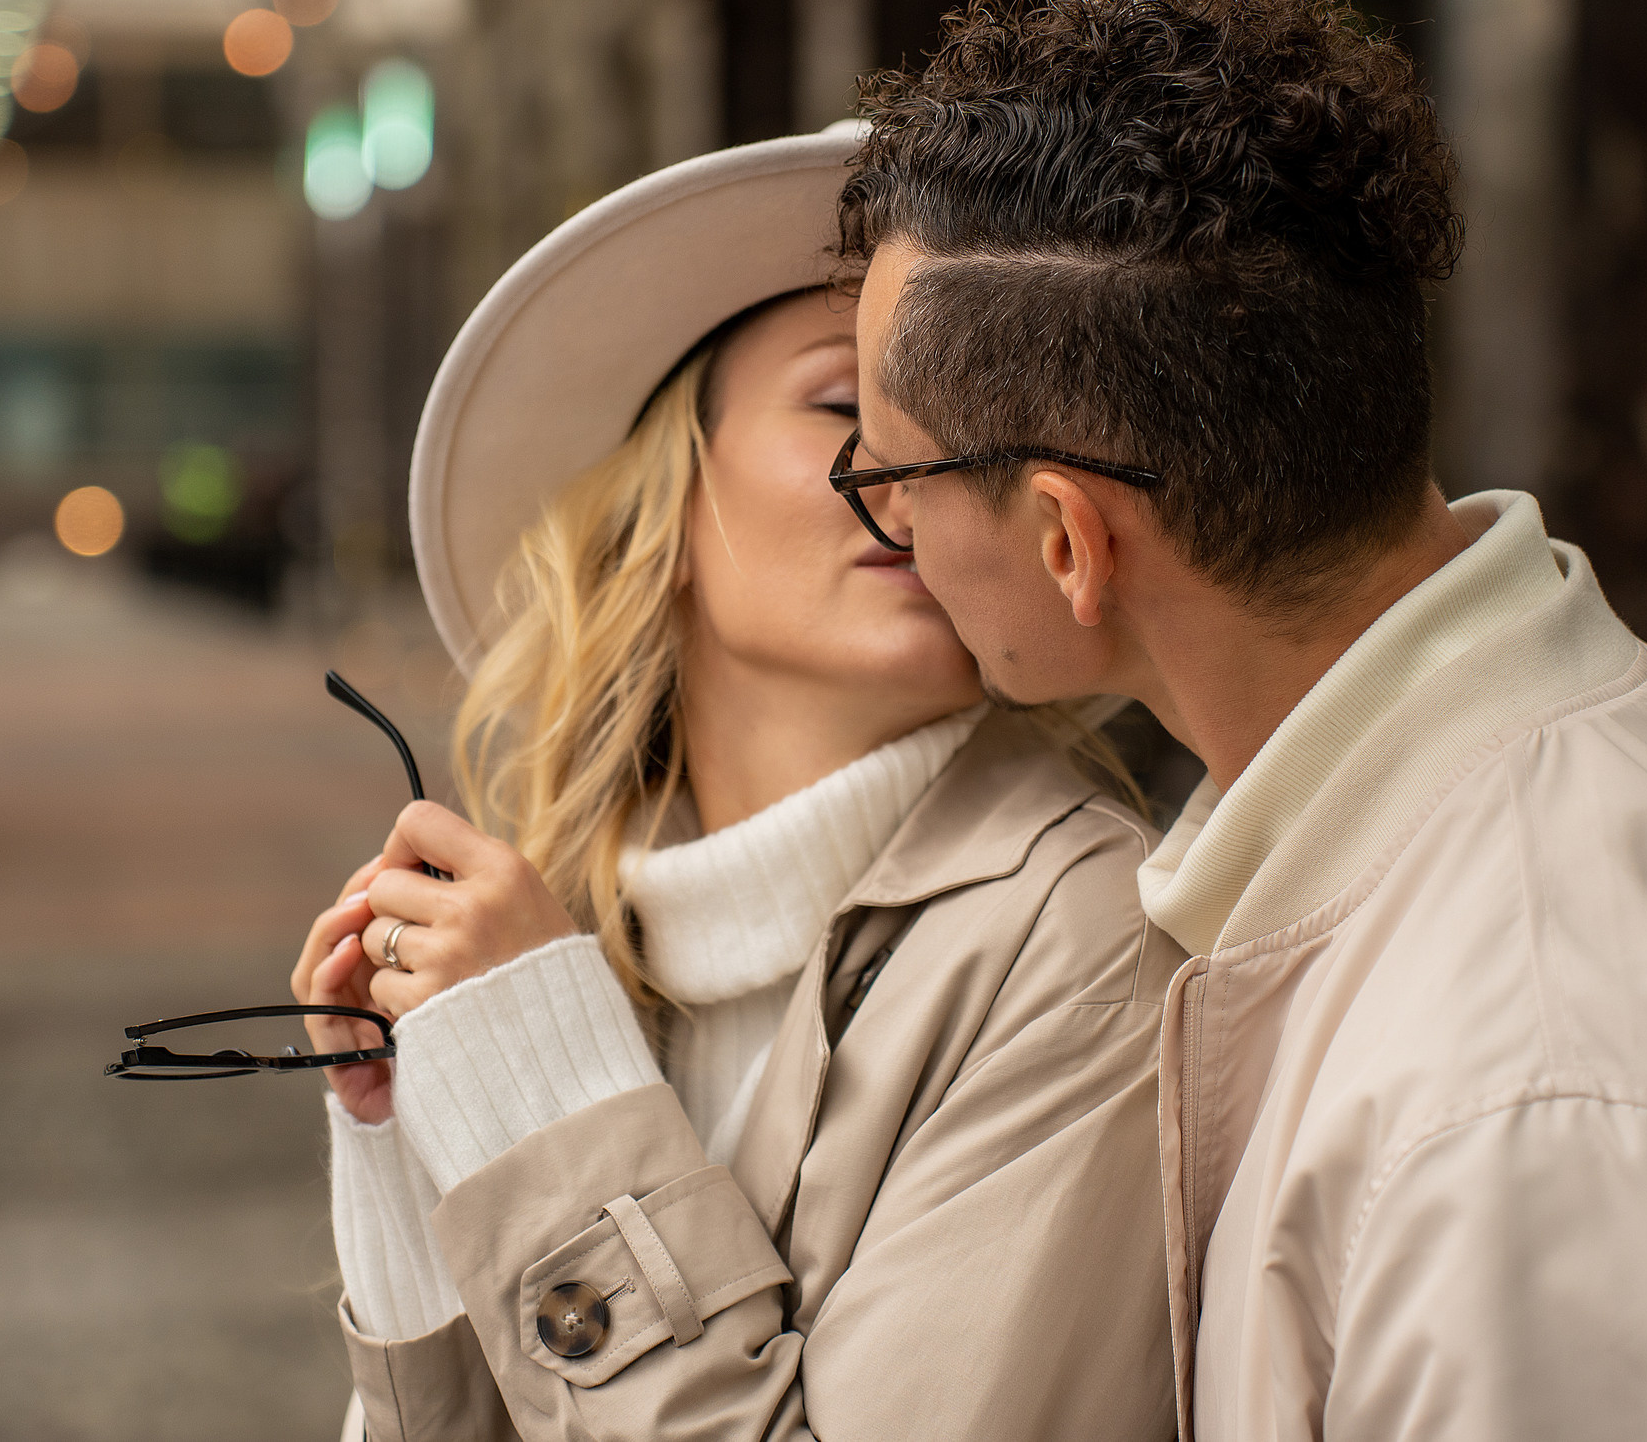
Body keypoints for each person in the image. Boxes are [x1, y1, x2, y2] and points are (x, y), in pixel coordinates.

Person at [835, 0, 1647, 1439]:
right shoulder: (1519, 817)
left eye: (888, 476)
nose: (888, 536)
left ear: (1071, 541)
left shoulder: (1543, 1126)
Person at [290, 132, 1184, 1442]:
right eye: (849, 412)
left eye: (972, 431)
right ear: (670, 499)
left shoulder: (1087, 941)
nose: (921, 481)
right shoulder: (559, 937)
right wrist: (407, 1141)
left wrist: (547, 1101)